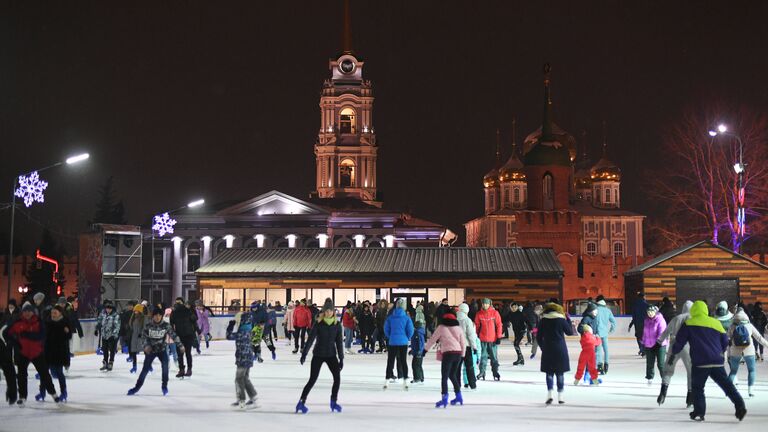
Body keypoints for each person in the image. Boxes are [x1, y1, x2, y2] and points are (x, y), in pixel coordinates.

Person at [671, 300, 746, 422]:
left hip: (700, 363)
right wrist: (718, 352)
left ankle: (699, 412)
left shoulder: (689, 323)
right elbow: (725, 341)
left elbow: (680, 342)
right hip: (717, 361)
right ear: (705, 310)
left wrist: (674, 351)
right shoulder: (715, 322)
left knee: (697, 388)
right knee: (727, 386)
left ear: (693, 310)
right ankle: (740, 406)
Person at [296, 298, 343, 414]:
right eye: (327, 311)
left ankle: (333, 401)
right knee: (312, 379)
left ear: (333, 311)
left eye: (331, 310)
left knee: (337, 378)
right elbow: (311, 339)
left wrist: (341, 358)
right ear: (323, 311)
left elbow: (339, 343)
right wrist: (304, 354)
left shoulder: (337, 325)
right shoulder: (318, 323)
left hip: (331, 355)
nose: (329, 313)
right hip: (318, 354)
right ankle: (301, 402)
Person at [8, 303, 59, 405]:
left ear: (32, 312)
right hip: (23, 353)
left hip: (37, 352)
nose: (27, 313)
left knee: (44, 374)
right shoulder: (18, 322)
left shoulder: (39, 322)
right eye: (25, 311)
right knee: (22, 376)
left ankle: (53, 393)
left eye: (29, 311)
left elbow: (41, 336)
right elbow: (8, 334)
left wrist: (27, 335)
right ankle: (22, 396)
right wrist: (16, 344)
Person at [127, 307, 182, 396]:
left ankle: (164, 386)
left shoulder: (166, 325)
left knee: (165, 368)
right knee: (145, 370)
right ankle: (137, 387)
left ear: (161, 316)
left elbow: (174, 335)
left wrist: (180, 345)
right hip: (151, 351)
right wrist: (146, 346)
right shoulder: (148, 326)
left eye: (159, 315)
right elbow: (144, 337)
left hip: (162, 350)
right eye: (156, 315)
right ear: (153, 316)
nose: (158, 317)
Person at [424, 312, 466, 408]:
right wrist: (463, 355)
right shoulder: (458, 328)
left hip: (448, 354)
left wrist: (425, 350)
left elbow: (432, 339)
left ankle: (444, 398)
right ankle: (459, 396)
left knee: (445, 377)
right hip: (458, 354)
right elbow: (463, 343)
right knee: (452, 375)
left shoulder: (441, 328)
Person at [657, 300, 694, 406]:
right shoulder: (693, 318)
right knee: (691, 372)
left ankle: (663, 392)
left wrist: (660, 340)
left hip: (674, 347)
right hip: (687, 347)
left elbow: (666, 331)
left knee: (668, 370)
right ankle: (690, 397)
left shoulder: (676, 318)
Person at [537, 302, 573, 405]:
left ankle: (549, 395)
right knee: (560, 373)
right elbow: (570, 332)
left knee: (549, 373)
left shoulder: (543, 320)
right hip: (560, 349)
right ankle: (561, 397)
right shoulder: (561, 320)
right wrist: (568, 320)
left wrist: (543, 347)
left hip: (548, 348)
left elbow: (538, 337)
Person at [727, 308, 768, 398]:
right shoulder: (749, 325)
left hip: (735, 351)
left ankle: (728, 391)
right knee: (751, 370)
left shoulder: (732, 326)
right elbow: (759, 338)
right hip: (749, 351)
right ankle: (750, 391)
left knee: (733, 371)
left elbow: (727, 339)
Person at [226, 310, 259, 409]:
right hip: (248, 358)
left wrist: (230, 326)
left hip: (243, 359)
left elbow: (229, 336)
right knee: (245, 378)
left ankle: (241, 400)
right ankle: (253, 397)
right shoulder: (248, 330)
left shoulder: (242, 332)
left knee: (239, 379)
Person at [384, 298, 414, 389]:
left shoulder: (390, 317)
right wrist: (407, 338)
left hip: (392, 341)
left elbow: (386, 329)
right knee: (403, 361)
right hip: (403, 342)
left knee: (390, 360)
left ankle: (387, 379)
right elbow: (411, 330)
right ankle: (405, 379)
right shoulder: (406, 318)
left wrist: (390, 336)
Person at [44, 305, 71, 402]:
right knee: (45, 374)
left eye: (55, 312)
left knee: (59, 373)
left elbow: (68, 336)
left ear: (60, 313)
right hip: (48, 352)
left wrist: (67, 332)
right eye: (52, 313)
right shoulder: (47, 323)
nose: (53, 314)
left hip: (59, 353)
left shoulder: (64, 323)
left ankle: (64, 392)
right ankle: (42, 392)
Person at [474, 298, 502, 381]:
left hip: (493, 340)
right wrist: (476, 336)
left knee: (494, 358)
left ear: (490, 304)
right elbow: (477, 326)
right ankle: (482, 372)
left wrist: (499, 336)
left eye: (486, 304)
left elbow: (499, 325)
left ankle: (495, 372)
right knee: (483, 357)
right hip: (482, 340)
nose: (485, 305)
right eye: (483, 304)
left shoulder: (495, 313)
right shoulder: (479, 314)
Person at [170, 298, 198, 378]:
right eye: (177, 302)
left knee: (187, 353)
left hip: (188, 335)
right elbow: (171, 323)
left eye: (179, 302)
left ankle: (189, 369)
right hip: (179, 335)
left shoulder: (188, 310)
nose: (178, 304)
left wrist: (190, 310)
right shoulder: (175, 311)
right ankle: (182, 369)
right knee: (180, 354)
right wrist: (174, 334)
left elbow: (194, 319)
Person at [642, 305, 668, 385]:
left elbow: (661, 333)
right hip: (649, 345)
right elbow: (645, 332)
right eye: (648, 312)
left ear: (655, 312)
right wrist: (643, 341)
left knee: (660, 363)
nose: (650, 313)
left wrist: (657, 344)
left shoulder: (660, 320)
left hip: (660, 345)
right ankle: (649, 378)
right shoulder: (646, 320)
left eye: (651, 312)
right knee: (650, 363)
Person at [456, 303, 478, 389]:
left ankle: (457, 384)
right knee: (469, 366)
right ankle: (472, 384)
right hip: (466, 347)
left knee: (457, 367)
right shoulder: (467, 320)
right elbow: (471, 335)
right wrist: (474, 347)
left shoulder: (455, 320)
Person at [594, 295, 616, 374]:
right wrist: (611, 331)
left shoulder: (596, 310)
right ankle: (606, 364)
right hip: (605, 333)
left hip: (598, 334)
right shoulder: (608, 310)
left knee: (598, 351)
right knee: (606, 350)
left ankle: (600, 366)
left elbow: (594, 322)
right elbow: (614, 322)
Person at [96, 300, 121, 372]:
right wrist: (97, 328)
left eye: (109, 309)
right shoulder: (103, 314)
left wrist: (114, 334)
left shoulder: (116, 316)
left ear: (112, 309)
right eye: (107, 308)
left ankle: (111, 362)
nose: (108, 310)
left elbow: (117, 326)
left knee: (112, 350)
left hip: (112, 336)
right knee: (105, 349)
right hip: (104, 335)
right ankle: (105, 362)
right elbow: (99, 321)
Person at [0, 308, 19, 405]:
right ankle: (12, 394)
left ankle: (12, 394)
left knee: (10, 373)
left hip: (4, 353)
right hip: (5, 353)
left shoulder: (5, 324)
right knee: (10, 373)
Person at [127, 304, 146, 373]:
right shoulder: (133, 318)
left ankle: (149, 366)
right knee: (134, 352)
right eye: (135, 311)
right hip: (134, 337)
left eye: (137, 311)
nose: (135, 312)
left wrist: (142, 333)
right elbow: (131, 326)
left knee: (145, 352)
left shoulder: (143, 318)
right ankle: (134, 367)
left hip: (141, 338)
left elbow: (145, 327)